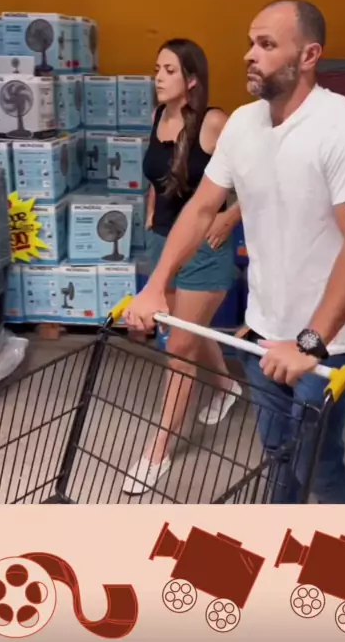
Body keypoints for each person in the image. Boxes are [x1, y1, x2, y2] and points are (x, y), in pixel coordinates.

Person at [123, 0, 345, 504]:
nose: (249, 54)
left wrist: (309, 344)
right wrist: (157, 285)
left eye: (266, 44)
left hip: (324, 344)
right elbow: (201, 208)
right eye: (250, 42)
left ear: (308, 55)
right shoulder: (243, 125)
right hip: (263, 333)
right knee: (277, 454)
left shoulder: (343, 127)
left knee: (318, 465)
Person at [123, 38, 242, 495]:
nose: (158, 77)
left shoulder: (215, 123)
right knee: (188, 332)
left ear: (192, 79)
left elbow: (259, 181)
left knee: (179, 350)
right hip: (164, 246)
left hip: (205, 251)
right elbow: (157, 176)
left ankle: (157, 452)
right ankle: (227, 388)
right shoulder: (159, 117)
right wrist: (152, 213)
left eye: (169, 70)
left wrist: (231, 217)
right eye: (157, 68)